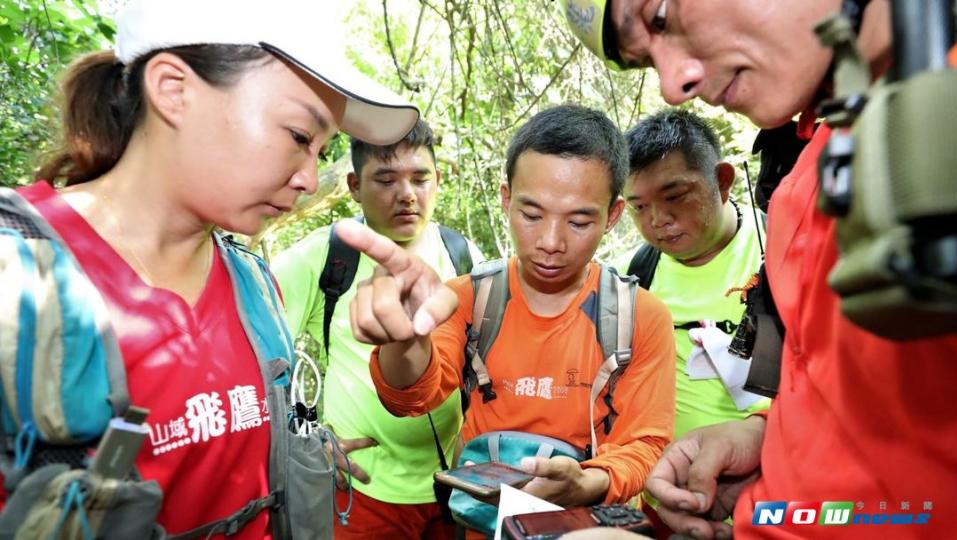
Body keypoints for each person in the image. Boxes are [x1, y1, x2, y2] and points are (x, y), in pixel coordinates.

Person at [0, 0, 419, 537]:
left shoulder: (254, 289)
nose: (311, 180)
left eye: (322, 150)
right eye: (298, 137)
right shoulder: (22, 278)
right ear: (174, 90)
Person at [561, 0, 957, 538]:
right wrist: (766, 441)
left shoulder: (936, 120)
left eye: (660, 16)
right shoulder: (818, 157)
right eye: (649, 63)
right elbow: (871, 410)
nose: (674, 83)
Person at [337, 104, 677, 520]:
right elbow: (412, 397)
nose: (551, 242)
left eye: (579, 222)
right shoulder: (469, 299)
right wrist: (407, 338)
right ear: (506, 199)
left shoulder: (640, 316)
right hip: (483, 521)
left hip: (589, 525)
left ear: (613, 216)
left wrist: (587, 482)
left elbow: (644, 443)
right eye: (531, 215)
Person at [272, 118, 484, 539]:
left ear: (437, 180)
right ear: (353, 185)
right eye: (385, 180)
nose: (406, 195)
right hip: (363, 490)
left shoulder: (461, 254)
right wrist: (306, 434)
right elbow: (254, 348)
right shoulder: (326, 255)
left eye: (420, 178)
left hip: (453, 485)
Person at [618, 109, 769, 440]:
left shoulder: (778, 250)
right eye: (639, 207)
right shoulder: (627, 279)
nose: (658, 219)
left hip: (778, 481)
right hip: (660, 486)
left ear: (722, 181)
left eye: (674, 197)